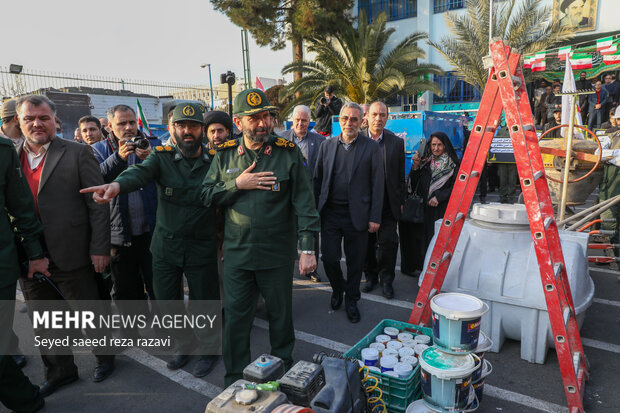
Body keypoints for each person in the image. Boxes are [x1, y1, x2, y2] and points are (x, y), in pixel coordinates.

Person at [81, 103, 220, 378]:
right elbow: (138, 173)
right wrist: (116, 185)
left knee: (204, 301)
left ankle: (208, 350)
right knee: (168, 302)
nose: (187, 131)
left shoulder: (217, 159)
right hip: (166, 247)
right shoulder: (161, 155)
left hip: (201, 245)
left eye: (193, 126)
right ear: (172, 129)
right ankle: (184, 344)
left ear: (202, 130)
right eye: (181, 126)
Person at [201, 88, 320, 386]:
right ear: (239, 122)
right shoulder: (225, 154)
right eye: (255, 118)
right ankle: (234, 381)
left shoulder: (288, 153)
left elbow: (305, 204)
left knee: (281, 320)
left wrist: (308, 248)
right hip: (238, 257)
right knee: (236, 323)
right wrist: (237, 184)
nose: (263, 123)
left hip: (276, 255)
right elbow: (205, 195)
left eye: (267, 116)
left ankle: (283, 376)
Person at [15, 94, 114, 396]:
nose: (36, 123)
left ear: (55, 120)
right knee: (44, 319)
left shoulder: (78, 152)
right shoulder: (9, 156)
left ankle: (105, 358)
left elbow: (97, 204)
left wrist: (100, 247)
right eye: (29, 118)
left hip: (72, 251)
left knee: (87, 312)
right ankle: (60, 372)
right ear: (19, 122)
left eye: (43, 118)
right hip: (30, 256)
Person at [91, 105, 159, 336]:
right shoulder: (97, 150)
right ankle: (132, 332)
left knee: (158, 286)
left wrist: (151, 157)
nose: (129, 128)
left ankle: (166, 331)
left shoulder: (153, 144)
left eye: (132, 122)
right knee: (127, 289)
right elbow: (96, 179)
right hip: (119, 235)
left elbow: (167, 173)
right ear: (109, 126)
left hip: (152, 230)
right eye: (122, 123)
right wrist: (118, 159)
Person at [314, 102, 384, 323]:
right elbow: (317, 180)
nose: (349, 123)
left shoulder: (371, 148)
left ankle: (352, 300)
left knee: (355, 262)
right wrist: (314, 211)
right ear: (339, 120)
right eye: (345, 119)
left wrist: (375, 217)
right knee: (330, 258)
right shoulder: (327, 146)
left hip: (358, 216)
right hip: (331, 214)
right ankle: (338, 289)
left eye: (354, 119)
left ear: (361, 121)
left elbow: (377, 185)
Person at [0, 134, 49, 413]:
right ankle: (25, 398)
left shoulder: (3, 150)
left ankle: (26, 400)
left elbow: (20, 207)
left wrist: (35, 254)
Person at [362, 101, 405, 299]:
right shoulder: (357, 140)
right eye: (375, 114)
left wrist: (401, 200)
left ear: (387, 117)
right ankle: (370, 276)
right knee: (367, 244)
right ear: (367, 116)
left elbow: (399, 176)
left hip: (389, 204)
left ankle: (386, 279)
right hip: (364, 204)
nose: (378, 118)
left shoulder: (396, 142)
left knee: (389, 243)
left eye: (382, 115)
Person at [280, 104, 326, 282]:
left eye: (304, 120)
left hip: (310, 197)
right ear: (292, 120)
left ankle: (311, 269)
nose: (300, 123)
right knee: (287, 234)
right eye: (297, 120)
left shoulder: (320, 142)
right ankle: (286, 266)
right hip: (285, 197)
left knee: (311, 234)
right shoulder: (280, 139)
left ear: (310, 122)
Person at [409, 132, 458, 265]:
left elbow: (456, 187)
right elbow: (414, 185)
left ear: (445, 146)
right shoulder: (425, 162)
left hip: (441, 210)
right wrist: (415, 167)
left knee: (438, 240)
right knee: (424, 239)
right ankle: (424, 267)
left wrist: (439, 197)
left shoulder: (453, 165)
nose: (436, 148)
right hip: (424, 209)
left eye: (439, 145)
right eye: (433, 145)